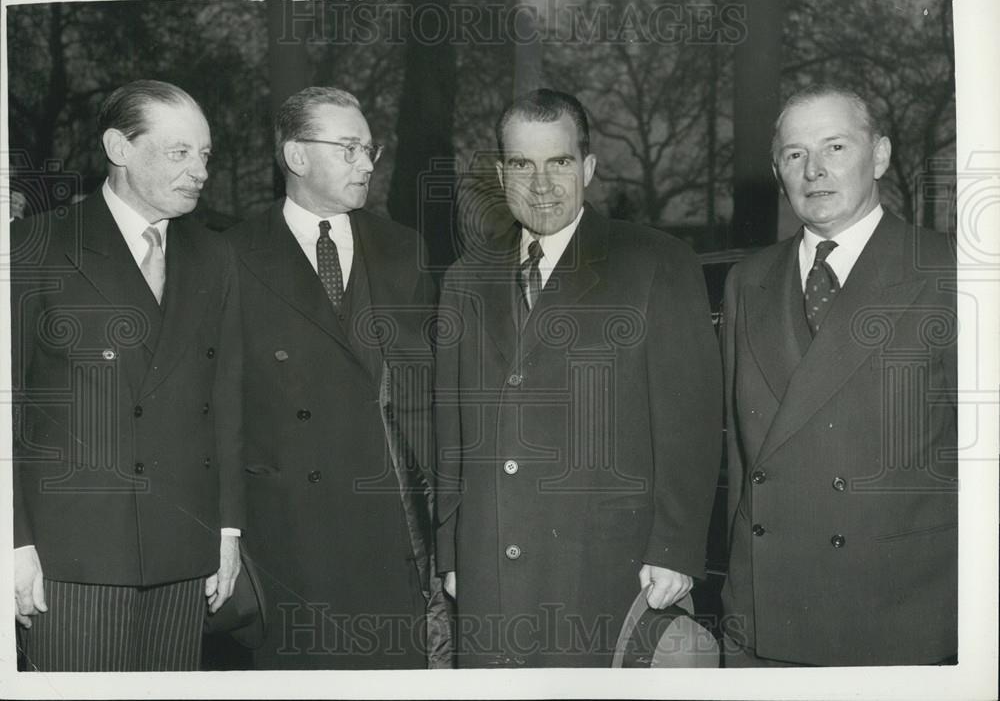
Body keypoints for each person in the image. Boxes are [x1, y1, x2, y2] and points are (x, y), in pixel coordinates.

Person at [434, 88, 723, 668]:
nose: (541, 183)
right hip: (488, 564)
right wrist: (451, 552)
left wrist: (675, 547)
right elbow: (451, 430)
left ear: (588, 167)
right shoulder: (466, 277)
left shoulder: (654, 262)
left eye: (559, 162)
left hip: (605, 566)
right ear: (500, 173)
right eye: (522, 164)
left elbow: (691, 418)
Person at [720, 84, 958, 666]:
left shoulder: (949, 270)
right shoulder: (746, 282)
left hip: (901, 612)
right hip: (765, 613)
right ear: (777, 171)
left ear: (879, 155)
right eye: (795, 154)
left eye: (836, 147)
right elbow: (737, 458)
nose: (815, 171)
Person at [10, 80, 244, 671]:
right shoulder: (34, 247)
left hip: (183, 554)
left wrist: (226, 531)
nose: (200, 171)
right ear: (118, 147)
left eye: (205, 154)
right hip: (71, 560)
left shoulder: (215, 257)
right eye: (179, 152)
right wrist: (13, 541)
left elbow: (227, 401)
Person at [225, 87, 437, 669]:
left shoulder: (403, 251)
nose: (368, 163)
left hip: (388, 531)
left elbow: (428, 403)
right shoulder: (231, 256)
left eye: (370, 149)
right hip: (286, 536)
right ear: (296, 157)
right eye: (348, 149)